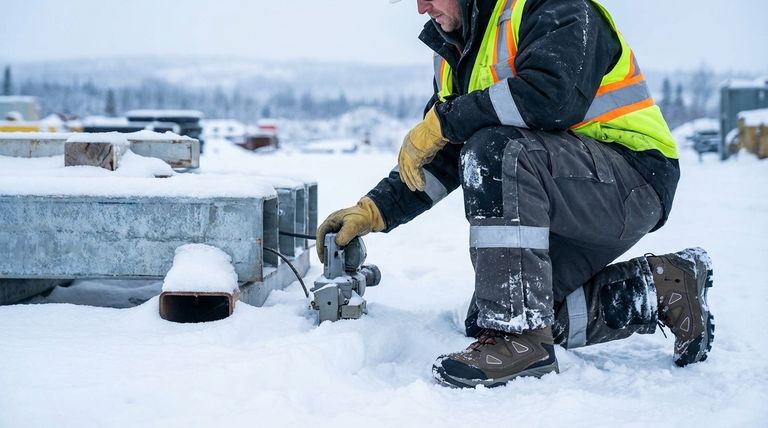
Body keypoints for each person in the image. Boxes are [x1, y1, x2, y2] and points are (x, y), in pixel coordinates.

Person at [316, 0, 714, 388]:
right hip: (564, 187)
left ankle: (519, 338)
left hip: (631, 180)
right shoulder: (459, 49)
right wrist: (376, 210)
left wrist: (447, 121)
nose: (422, 9)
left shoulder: (555, 7)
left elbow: (551, 99)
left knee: (497, 152)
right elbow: (447, 153)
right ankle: (662, 287)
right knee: (500, 312)